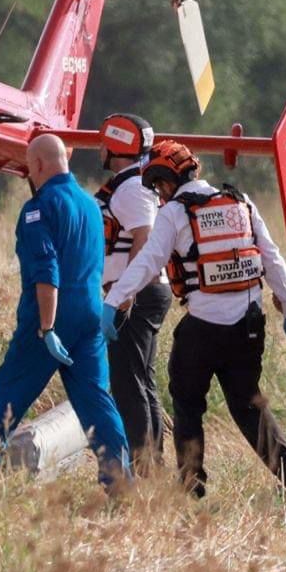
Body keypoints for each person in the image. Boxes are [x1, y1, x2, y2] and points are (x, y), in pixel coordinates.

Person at [105, 140, 286, 496]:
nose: (160, 194)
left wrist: (115, 301)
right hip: (249, 326)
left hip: (203, 330)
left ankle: (191, 486)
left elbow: (149, 260)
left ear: (166, 181)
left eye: (158, 186)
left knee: (186, 402)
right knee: (248, 405)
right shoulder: (241, 202)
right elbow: (272, 258)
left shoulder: (175, 212)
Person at [0, 135, 130, 487]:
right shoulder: (90, 205)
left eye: (29, 165)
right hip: (90, 316)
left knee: (8, 396)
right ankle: (121, 483)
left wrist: (47, 326)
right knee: (97, 404)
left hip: (50, 318)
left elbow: (46, 270)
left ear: (38, 165)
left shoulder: (39, 208)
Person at [95, 112, 169, 472]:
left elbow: (145, 237)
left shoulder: (131, 189)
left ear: (114, 146)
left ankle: (144, 468)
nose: (99, 148)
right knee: (141, 380)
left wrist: (124, 296)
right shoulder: (131, 185)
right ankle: (151, 463)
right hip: (141, 293)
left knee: (129, 384)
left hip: (137, 296)